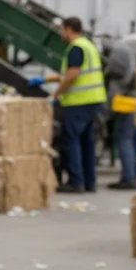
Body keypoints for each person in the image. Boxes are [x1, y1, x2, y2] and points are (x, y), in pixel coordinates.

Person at [37, 17, 107, 194]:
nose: (61, 34)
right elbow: (74, 74)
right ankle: (89, 182)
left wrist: (55, 94)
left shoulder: (76, 48)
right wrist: (46, 79)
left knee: (71, 140)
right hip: (93, 99)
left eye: (62, 30)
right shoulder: (89, 46)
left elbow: (72, 76)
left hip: (79, 101)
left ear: (68, 29)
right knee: (87, 142)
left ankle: (76, 182)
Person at [104, 35, 136, 190]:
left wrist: (108, 107)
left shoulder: (125, 58)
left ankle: (128, 177)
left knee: (124, 139)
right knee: (135, 141)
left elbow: (118, 83)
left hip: (127, 105)